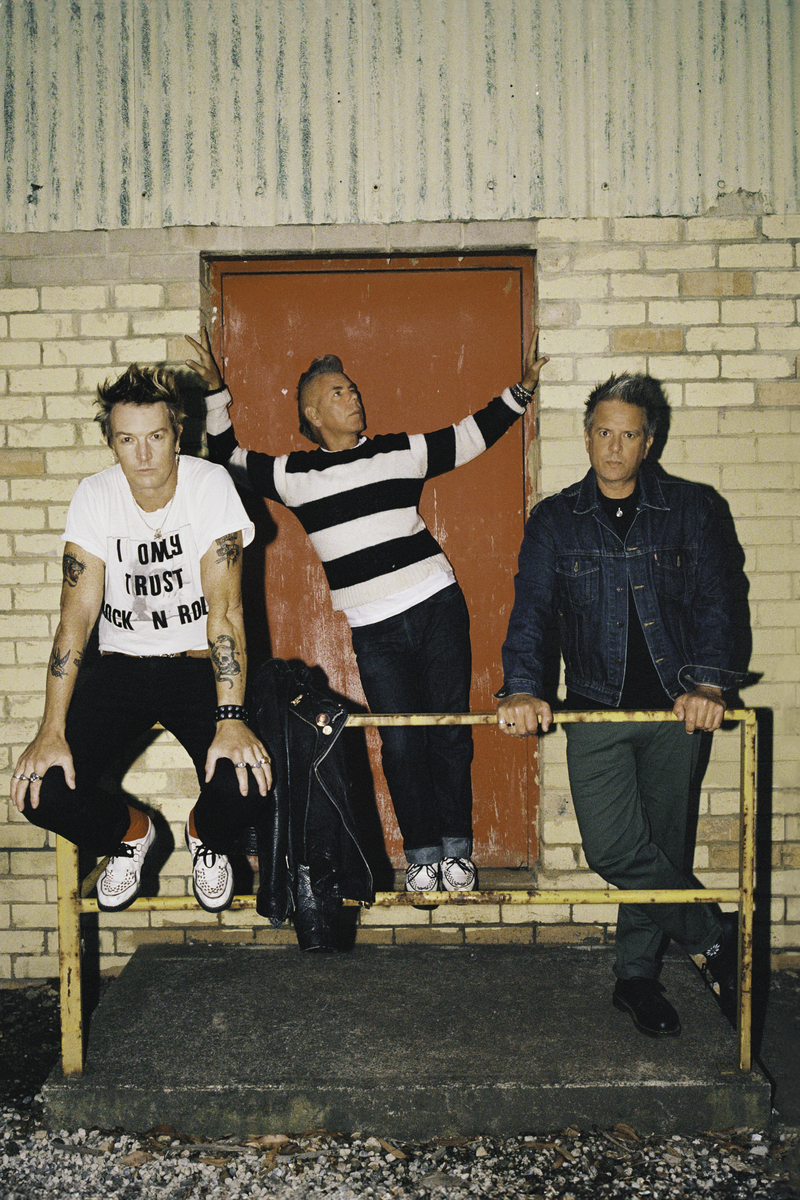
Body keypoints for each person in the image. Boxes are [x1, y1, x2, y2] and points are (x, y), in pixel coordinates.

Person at [185, 327, 548, 893]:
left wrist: (520, 391)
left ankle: (457, 851)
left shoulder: (398, 451)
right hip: (374, 630)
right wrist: (214, 393)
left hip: (437, 606)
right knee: (400, 741)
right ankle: (423, 854)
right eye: (338, 392)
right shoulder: (295, 476)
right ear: (312, 412)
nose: (353, 396)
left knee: (451, 732)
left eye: (352, 389)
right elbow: (228, 459)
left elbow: (467, 436)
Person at [496, 372, 743, 1036]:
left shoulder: (692, 509)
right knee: (614, 849)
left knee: (663, 846)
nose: (613, 447)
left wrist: (710, 685)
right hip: (596, 710)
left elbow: (720, 601)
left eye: (628, 434)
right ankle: (714, 937)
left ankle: (637, 979)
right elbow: (533, 610)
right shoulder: (555, 520)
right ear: (586, 437)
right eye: (603, 432)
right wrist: (523, 685)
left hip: (677, 713)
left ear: (647, 441)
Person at [11, 364, 273, 913]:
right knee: (42, 791)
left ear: (178, 434)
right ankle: (130, 834)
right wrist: (50, 728)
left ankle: (205, 834)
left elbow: (225, 610)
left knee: (249, 778)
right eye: (127, 440)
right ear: (112, 443)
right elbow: (76, 618)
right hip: (122, 667)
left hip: (196, 665)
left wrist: (231, 719)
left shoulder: (209, 485)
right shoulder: (95, 495)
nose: (144, 455)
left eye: (156, 436)